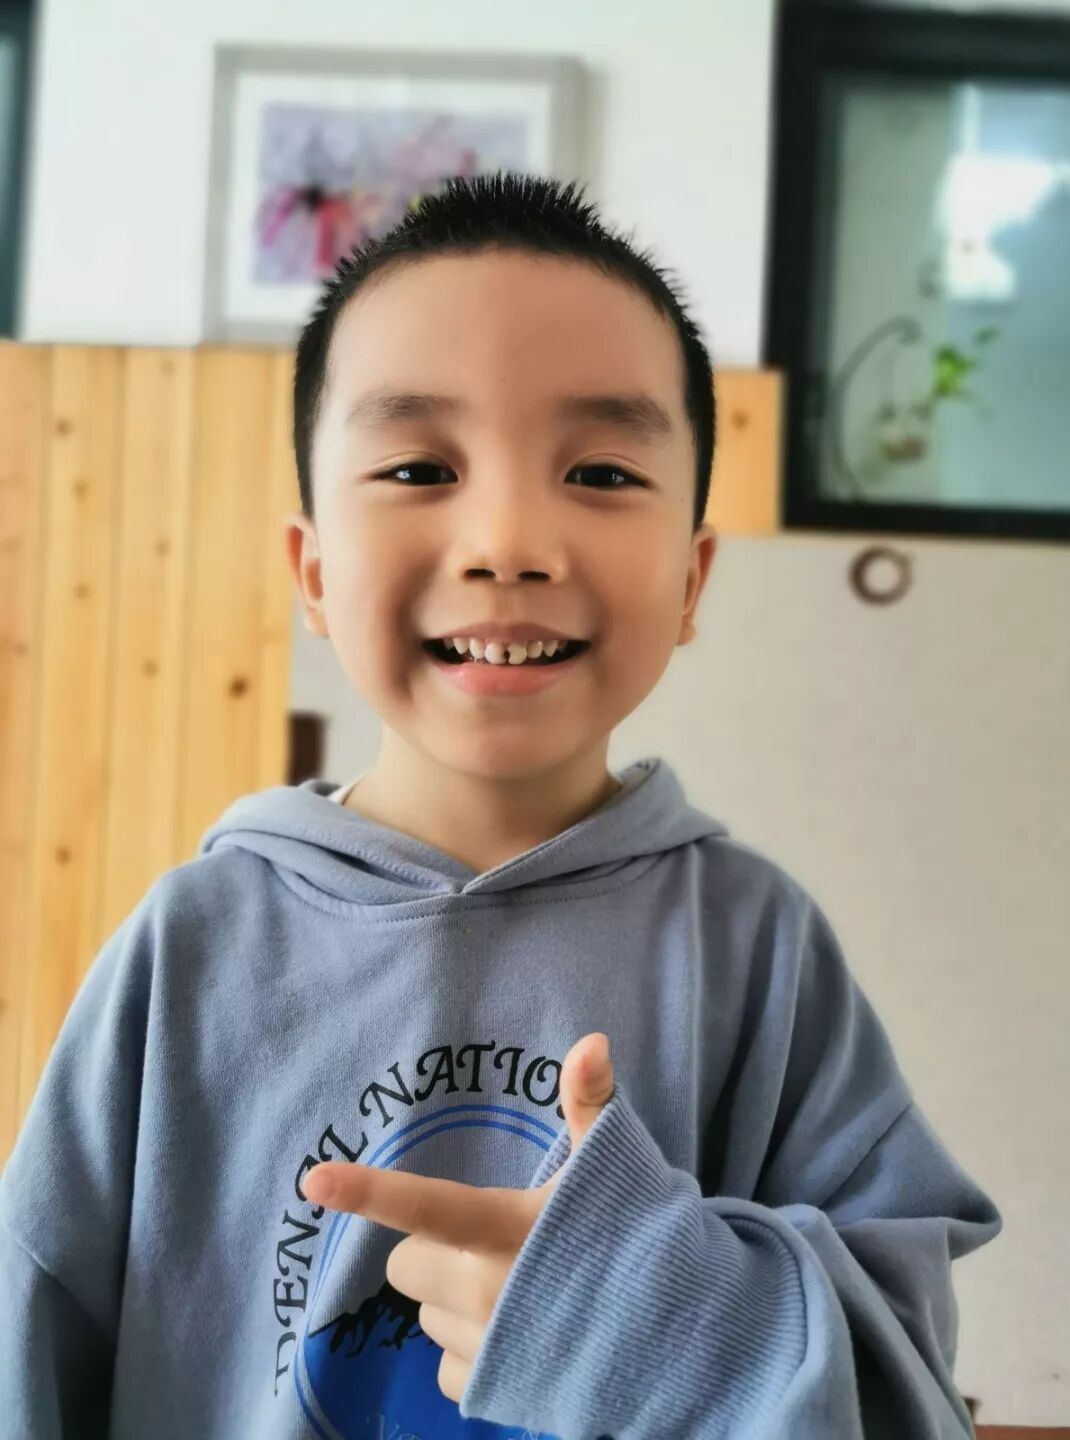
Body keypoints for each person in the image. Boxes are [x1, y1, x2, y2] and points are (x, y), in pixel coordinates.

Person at [0, 170, 1001, 1439]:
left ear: (692, 582)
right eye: (420, 465)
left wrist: (660, 1315)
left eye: (602, 471)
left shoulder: (758, 952)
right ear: (314, 573)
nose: (509, 541)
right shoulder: (188, 948)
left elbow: (908, 1398)